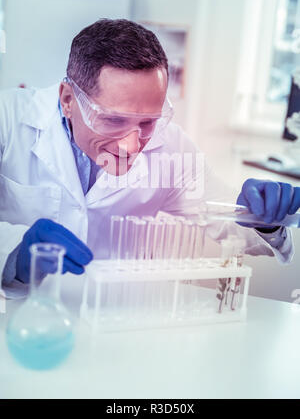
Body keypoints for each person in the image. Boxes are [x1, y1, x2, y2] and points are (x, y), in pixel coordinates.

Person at [0, 18, 299, 298]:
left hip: (112, 316)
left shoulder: (172, 148)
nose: (132, 145)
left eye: (147, 122)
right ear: (68, 100)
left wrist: (263, 217)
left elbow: (229, 221)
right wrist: (15, 251)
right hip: (19, 316)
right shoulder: (8, 119)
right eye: (113, 120)